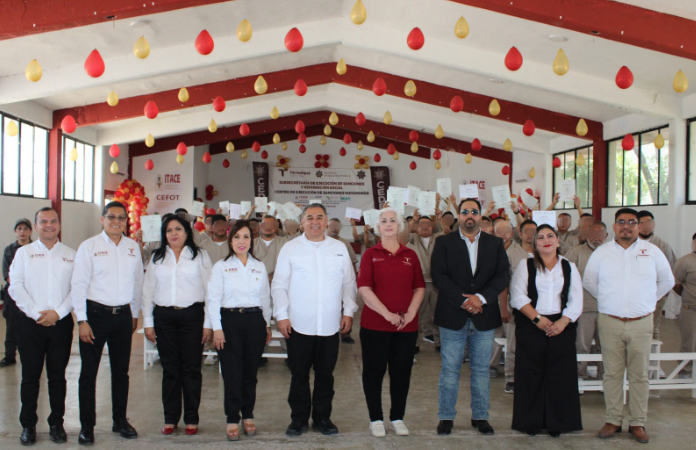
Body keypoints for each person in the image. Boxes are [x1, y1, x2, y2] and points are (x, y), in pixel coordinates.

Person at [583, 208, 674, 444]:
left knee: (639, 375)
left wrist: (649, 300)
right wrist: (608, 300)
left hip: (641, 322)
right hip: (610, 322)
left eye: (632, 222)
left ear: (639, 227)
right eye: (621, 222)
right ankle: (613, 419)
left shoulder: (652, 252)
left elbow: (667, 280)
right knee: (612, 373)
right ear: (614, 227)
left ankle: (637, 422)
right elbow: (590, 281)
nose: (626, 226)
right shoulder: (602, 253)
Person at [272, 204, 357, 437]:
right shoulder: (290, 248)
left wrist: (348, 312)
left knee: (325, 376)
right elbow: (279, 285)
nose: (315, 222)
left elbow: (349, 283)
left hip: (329, 325)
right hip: (298, 324)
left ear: (327, 221)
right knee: (299, 374)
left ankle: (322, 418)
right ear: (302, 223)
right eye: (309, 218)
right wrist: (282, 315)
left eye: (320, 217)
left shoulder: (339, 248)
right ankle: (298, 419)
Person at [431, 198, 510, 436]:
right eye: (465, 211)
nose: (469, 215)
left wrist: (481, 298)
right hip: (452, 314)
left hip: (484, 316)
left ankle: (480, 416)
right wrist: (464, 300)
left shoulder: (494, 243)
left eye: (474, 212)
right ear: (459, 215)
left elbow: (502, 275)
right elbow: (439, 275)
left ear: (480, 215)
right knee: (450, 370)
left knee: (481, 370)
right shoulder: (444, 242)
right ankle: (446, 416)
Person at [71, 201, 144, 445]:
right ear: (102, 219)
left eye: (121, 217)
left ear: (126, 221)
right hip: (95, 316)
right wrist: (82, 320)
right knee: (88, 374)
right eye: (111, 216)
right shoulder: (89, 246)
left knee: (121, 373)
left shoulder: (132, 247)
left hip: (123, 316)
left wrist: (134, 314)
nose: (116, 221)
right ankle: (87, 426)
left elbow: (138, 283)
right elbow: (78, 285)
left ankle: (119, 420)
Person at [8, 208, 75, 445]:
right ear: (35, 226)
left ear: (59, 225)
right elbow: (15, 286)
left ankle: (56, 424)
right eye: (43, 221)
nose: (49, 225)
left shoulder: (70, 254)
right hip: (30, 324)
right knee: (30, 377)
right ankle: (28, 425)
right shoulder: (24, 253)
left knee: (57, 377)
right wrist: (36, 313)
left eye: (53, 221)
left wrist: (58, 313)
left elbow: (76, 289)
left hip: (61, 324)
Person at [142, 215, 213, 436]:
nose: (174, 234)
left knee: (191, 369)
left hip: (193, 316)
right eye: (169, 230)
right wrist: (148, 323)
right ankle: (170, 418)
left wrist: (208, 323)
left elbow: (210, 291)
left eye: (178, 229)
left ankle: (191, 418)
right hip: (164, 317)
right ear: (164, 234)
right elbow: (148, 291)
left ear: (187, 232)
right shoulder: (157, 257)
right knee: (170, 370)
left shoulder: (200, 255)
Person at [510, 224, 583, 437]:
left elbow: (576, 299)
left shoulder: (569, 266)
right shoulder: (526, 265)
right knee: (530, 373)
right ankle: (530, 422)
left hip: (562, 325)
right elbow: (518, 296)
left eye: (550, 236)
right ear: (535, 243)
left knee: (560, 375)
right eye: (540, 237)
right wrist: (537, 319)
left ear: (558, 241)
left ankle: (557, 422)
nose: (546, 240)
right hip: (531, 323)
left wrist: (563, 321)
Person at [357, 208, 425, 437]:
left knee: (401, 373)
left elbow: (419, 287)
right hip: (375, 326)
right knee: (373, 373)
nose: (388, 224)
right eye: (384, 221)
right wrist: (387, 314)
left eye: (392, 221)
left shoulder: (410, 255)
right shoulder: (370, 254)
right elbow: (364, 288)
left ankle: (397, 417)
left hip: (406, 327)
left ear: (399, 226)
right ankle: (375, 419)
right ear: (378, 227)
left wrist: (411, 312)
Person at [208, 220, 272, 441]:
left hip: (255, 321)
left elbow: (265, 297)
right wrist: (217, 329)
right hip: (229, 322)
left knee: (250, 373)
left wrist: (266, 323)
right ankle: (232, 418)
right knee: (232, 373)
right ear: (230, 240)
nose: (241, 241)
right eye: (237, 237)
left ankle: (248, 415)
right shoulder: (221, 266)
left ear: (251, 240)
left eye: (246, 237)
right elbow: (213, 299)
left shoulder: (259, 266)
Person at [490, 218, 533, 393]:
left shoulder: (543, 254)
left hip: (538, 308)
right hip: (514, 306)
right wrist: (503, 308)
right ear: (520, 234)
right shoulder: (512, 255)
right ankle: (511, 377)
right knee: (513, 344)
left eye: (534, 232)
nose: (531, 235)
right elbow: (504, 284)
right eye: (527, 232)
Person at [566, 221, 608, 379]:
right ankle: (580, 375)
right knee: (582, 345)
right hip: (584, 309)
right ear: (587, 235)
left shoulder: (612, 253)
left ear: (606, 236)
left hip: (607, 309)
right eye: (593, 234)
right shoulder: (575, 252)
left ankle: (604, 376)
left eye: (600, 234)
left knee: (606, 346)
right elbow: (565, 278)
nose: (596, 238)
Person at [637, 210, 676, 340]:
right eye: (642, 223)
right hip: (634, 293)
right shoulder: (629, 243)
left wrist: (661, 294)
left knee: (652, 327)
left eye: (648, 222)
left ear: (653, 225)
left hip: (656, 295)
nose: (645, 226)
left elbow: (671, 270)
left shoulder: (662, 245)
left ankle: (652, 352)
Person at [407, 215, 443, 351]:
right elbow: (405, 232)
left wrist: (439, 218)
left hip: (436, 283)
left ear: (432, 226)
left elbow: (446, 230)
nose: (425, 227)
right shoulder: (413, 239)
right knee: (416, 315)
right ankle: (414, 344)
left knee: (439, 315)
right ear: (417, 227)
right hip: (419, 284)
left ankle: (440, 343)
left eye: (428, 224)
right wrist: (414, 220)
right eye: (421, 224)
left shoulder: (439, 238)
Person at [1, 218, 32, 368]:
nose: (22, 232)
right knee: (12, 325)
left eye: (25, 229)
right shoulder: (9, 250)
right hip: (13, 294)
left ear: (30, 231)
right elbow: (8, 275)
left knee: (32, 325)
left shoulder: (36, 249)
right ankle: (9, 356)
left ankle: (35, 353)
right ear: (15, 232)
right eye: (19, 229)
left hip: (32, 293)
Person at [328, 218, 359, 344]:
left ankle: (346, 334)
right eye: (332, 225)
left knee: (346, 307)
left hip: (343, 282)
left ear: (340, 228)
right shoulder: (322, 242)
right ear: (327, 226)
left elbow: (352, 262)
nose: (334, 228)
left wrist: (354, 279)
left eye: (337, 226)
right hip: (328, 283)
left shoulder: (345, 243)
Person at [673, 233, 696, 378]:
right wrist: (688, 296)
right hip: (691, 309)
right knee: (690, 342)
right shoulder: (685, 261)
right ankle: (685, 372)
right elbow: (676, 284)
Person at [254, 215, 289, 281]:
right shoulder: (252, 244)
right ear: (260, 226)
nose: (268, 227)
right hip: (257, 281)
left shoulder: (285, 243)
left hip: (279, 281)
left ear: (276, 227)